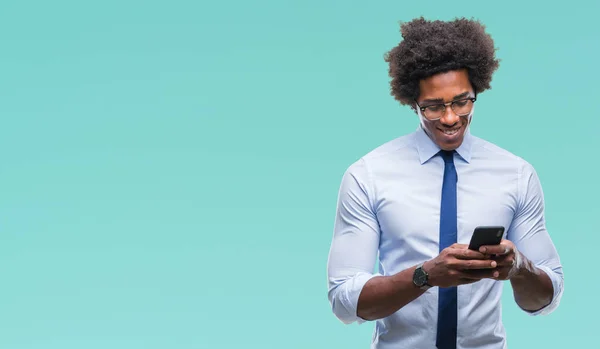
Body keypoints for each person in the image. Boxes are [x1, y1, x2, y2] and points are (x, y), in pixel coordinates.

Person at [326, 17, 564, 349]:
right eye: (434, 107)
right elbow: (345, 302)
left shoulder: (516, 174)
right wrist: (425, 276)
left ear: (476, 91)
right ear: (413, 103)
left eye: (462, 101)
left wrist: (519, 267)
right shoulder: (368, 176)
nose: (450, 118)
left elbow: (544, 299)